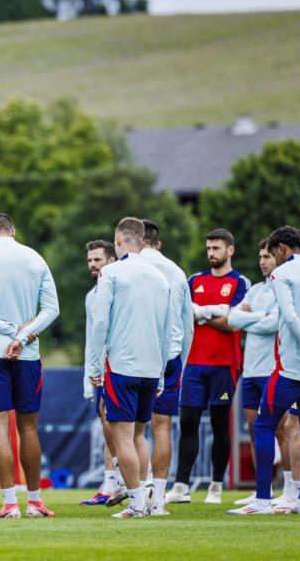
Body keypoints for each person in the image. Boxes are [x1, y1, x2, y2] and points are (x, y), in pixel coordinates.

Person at [227, 226, 300, 515]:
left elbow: (289, 318)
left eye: (272, 252)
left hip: (290, 369)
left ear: (281, 249)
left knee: (264, 425)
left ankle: (263, 500)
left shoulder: (282, 274)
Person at [0, 213, 60, 518]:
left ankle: (9, 504)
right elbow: (52, 310)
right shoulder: (34, 257)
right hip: (27, 353)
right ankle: (34, 501)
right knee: (29, 427)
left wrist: (7, 331)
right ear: (13, 231)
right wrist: (21, 334)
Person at [88, 217, 173, 519]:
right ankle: (149, 498)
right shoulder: (160, 277)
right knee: (140, 436)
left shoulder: (111, 273)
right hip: (151, 368)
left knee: (122, 437)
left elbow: (99, 323)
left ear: (119, 240)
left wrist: (95, 364)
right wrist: (162, 371)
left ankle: (137, 503)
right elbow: (167, 330)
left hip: (122, 365)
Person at [167, 229, 249, 505]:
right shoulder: (195, 281)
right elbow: (182, 314)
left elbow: (232, 322)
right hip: (193, 363)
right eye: (209, 248)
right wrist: (212, 311)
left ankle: (216, 485)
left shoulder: (240, 282)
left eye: (217, 248)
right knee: (188, 422)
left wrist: (200, 313)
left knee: (219, 424)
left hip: (224, 364)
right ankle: (181, 486)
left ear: (230, 251)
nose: (211, 253)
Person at [139, 220, 194, 515]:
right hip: (170, 356)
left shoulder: (127, 268)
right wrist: (181, 360)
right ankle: (157, 499)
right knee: (163, 427)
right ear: (158, 243)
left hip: (134, 357)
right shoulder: (176, 271)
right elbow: (188, 327)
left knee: (132, 430)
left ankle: (138, 496)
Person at [227, 241, 279, 506]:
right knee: (254, 428)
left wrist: (250, 318)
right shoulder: (255, 290)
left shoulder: (282, 288)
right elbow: (233, 320)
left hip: (272, 369)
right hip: (250, 371)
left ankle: (289, 488)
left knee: (281, 429)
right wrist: (259, 317)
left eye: (267, 256)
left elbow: (274, 324)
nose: (262, 261)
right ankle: (263, 487)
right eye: (260, 256)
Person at [80, 240, 121, 506]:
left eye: (98, 260)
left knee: (122, 427)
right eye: (90, 261)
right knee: (107, 424)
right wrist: (89, 376)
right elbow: (90, 338)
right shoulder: (91, 296)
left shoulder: (119, 289)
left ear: (111, 261)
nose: (93, 265)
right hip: (100, 371)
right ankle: (110, 483)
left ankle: (135, 479)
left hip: (121, 366)